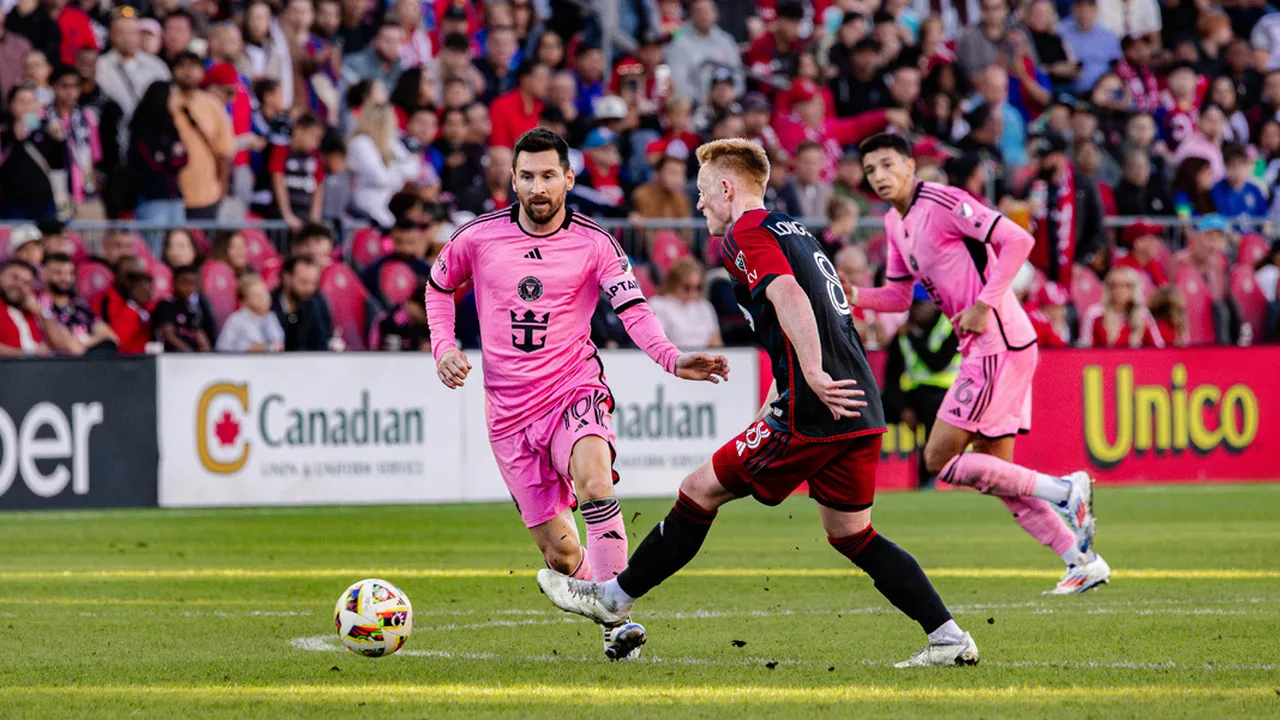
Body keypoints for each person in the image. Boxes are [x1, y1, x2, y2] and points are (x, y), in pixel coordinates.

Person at [538, 137, 978, 668]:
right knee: (851, 533)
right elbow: (799, 320)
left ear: (727, 188)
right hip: (857, 402)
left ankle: (614, 597)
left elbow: (790, 297)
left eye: (703, 192)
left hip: (814, 406)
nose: (699, 204)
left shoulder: (745, 233)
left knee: (698, 490)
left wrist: (809, 376)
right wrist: (782, 390)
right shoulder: (793, 228)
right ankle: (949, 637)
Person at [425, 127, 728, 661]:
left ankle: (617, 621)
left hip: (573, 389)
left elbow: (633, 311)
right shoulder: (477, 237)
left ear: (568, 178)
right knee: (561, 556)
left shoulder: (595, 242)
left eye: (547, 176)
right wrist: (444, 347)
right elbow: (438, 286)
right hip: (508, 414)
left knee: (593, 479)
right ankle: (599, 594)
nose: (537, 187)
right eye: (526, 176)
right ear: (512, 181)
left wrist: (672, 359)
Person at [853, 132, 1109, 594]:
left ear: (911, 165)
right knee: (1000, 478)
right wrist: (853, 295)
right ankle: (1081, 560)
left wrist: (985, 303)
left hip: (998, 343)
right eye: (871, 170)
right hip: (983, 347)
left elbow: (1017, 240)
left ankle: (1067, 489)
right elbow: (895, 296)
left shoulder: (945, 201)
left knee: (939, 458)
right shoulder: (895, 222)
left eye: (888, 164)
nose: (879, 176)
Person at [171, 52, 235, 220]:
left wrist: (222, 189)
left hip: (207, 195)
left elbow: (225, 153)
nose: (187, 71)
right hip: (170, 196)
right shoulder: (164, 103)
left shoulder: (213, 106)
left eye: (193, 67)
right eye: (182, 66)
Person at [0, 84, 68, 221]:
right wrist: (16, 138)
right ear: (11, 104)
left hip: (44, 201)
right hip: (13, 202)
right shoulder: (4, 133)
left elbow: (57, 164)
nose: (26, 106)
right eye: (21, 101)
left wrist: (58, 140)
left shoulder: (45, 130)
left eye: (31, 101)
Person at [41, 252, 116, 355]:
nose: (65, 278)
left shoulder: (79, 303)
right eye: (58, 273)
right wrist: (94, 339)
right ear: (44, 274)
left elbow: (111, 336)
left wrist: (84, 342)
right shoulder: (42, 305)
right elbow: (66, 345)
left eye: (70, 273)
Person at [1079, 267, 1163, 348]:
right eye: (1114, 285)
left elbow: (1158, 347)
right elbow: (1085, 347)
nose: (1120, 290)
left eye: (1126, 285)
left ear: (1134, 289)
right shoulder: (1094, 314)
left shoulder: (1143, 315)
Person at [648, 257, 722, 350]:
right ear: (674, 283)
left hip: (703, 359)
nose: (693, 293)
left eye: (698, 287)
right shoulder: (658, 304)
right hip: (673, 359)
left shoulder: (705, 306)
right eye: (687, 287)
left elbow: (716, 342)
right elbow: (657, 344)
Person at [272, 255, 334, 351]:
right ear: (287, 278)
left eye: (314, 283)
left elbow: (321, 344)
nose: (310, 289)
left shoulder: (316, 303)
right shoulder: (268, 304)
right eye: (303, 282)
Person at [95, 255, 153, 355]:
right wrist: (133, 305)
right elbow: (116, 340)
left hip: (148, 360)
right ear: (117, 275)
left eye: (141, 277)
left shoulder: (149, 302)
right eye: (131, 277)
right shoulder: (104, 301)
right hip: (119, 361)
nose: (136, 282)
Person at [0, 259, 58, 357]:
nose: (18, 285)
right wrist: (30, 353)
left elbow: (57, 343)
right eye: (14, 277)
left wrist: (40, 311)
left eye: (26, 282)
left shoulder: (30, 311)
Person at [151, 265, 215, 353]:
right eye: (185, 283)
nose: (189, 288)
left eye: (193, 284)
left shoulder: (197, 308)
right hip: (170, 357)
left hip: (192, 359)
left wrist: (207, 356)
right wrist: (188, 354)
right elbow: (169, 335)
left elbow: (199, 335)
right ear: (174, 283)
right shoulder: (166, 304)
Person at [216, 273, 285, 352]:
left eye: (265, 293)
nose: (263, 299)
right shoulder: (235, 321)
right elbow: (222, 349)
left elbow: (279, 344)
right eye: (257, 295)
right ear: (243, 301)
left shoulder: (271, 317)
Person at [372, 278, 432, 351]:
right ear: (411, 303)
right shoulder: (390, 322)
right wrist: (418, 348)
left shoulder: (433, 322)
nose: (427, 316)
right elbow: (376, 349)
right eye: (423, 310)